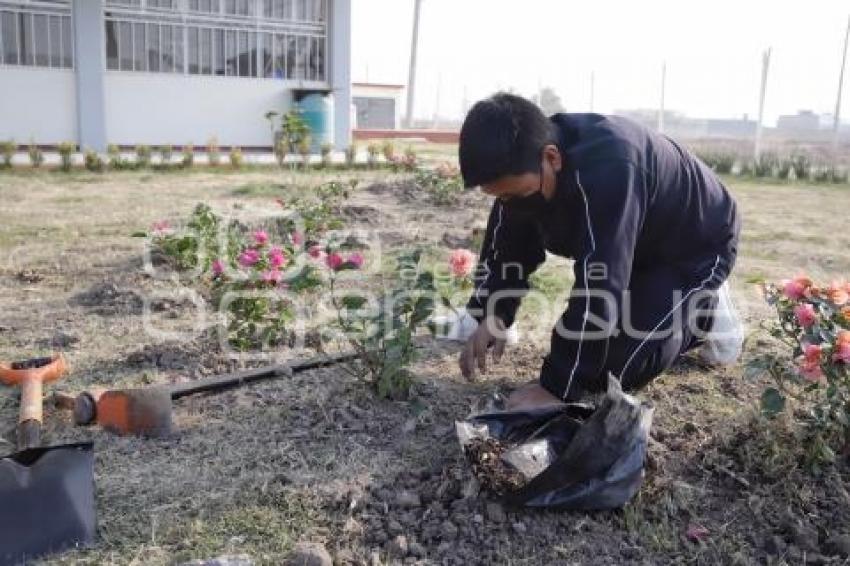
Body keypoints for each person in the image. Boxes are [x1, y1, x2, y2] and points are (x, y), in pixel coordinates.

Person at [457, 93, 741, 410]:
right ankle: (663, 303)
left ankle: (705, 313)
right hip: (629, 244)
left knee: (613, 371)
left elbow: (600, 281)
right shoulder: (522, 174)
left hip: (692, 245)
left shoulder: (609, 168)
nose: (510, 205)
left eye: (517, 194)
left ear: (552, 158)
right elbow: (506, 246)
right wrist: (493, 313)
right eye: (500, 197)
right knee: (597, 347)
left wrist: (558, 387)